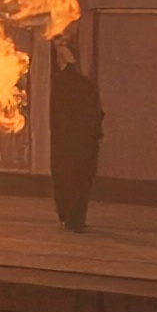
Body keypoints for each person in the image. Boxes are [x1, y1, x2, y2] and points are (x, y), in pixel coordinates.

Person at [48, 37, 103, 233]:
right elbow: (97, 114)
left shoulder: (59, 85)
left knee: (65, 180)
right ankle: (76, 217)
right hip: (84, 143)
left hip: (64, 142)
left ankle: (67, 216)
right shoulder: (85, 84)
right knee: (81, 181)